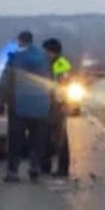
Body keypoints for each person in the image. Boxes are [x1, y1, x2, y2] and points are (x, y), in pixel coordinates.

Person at [0, 31, 51, 183]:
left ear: (20, 41)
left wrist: (0, 103)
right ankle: (35, 168)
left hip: (19, 105)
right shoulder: (43, 58)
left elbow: (5, 82)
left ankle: (13, 171)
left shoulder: (15, 58)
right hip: (40, 105)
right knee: (37, 139)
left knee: (15, 140)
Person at [42, 38, 71, 176]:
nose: (44, 54)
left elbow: (64, 83)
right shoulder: (44, 63)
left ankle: (62, 168)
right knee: (45, 136)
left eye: (46, 51)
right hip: (46, 103)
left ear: (52, 52)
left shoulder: (62, 65)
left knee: (60, 137)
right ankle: (45, 165)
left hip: (59, 105)